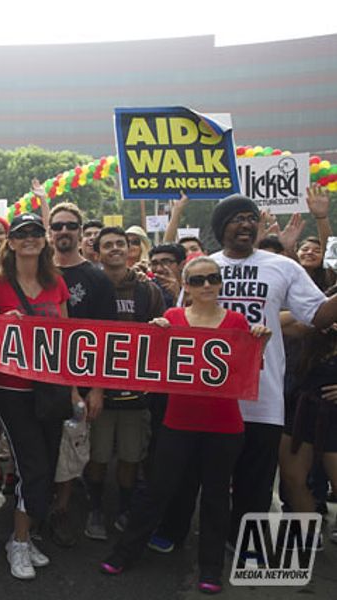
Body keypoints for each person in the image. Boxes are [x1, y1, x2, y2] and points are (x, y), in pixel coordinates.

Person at [101, 257, 271, 595]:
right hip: (178, 421)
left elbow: (247, 372)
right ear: (187, 286)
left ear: (221, 283)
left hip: (224, 426)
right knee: (156, 490)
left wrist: (259, 344)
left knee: (216, 497)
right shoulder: (172, 318)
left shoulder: (238, 321)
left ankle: (211, 569)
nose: (206, 285)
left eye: (212, 278)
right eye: (197, 280)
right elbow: (152, 364)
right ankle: (125, 553)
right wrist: (157, 335)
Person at [207, 193, 337, 549]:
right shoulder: (203, 267)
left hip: (263, 396)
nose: (247, 223)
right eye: (237, 218)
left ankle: (245, 543)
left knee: (257, 481)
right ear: (221, 227)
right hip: (212, 396)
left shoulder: (284, 267)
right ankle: (210, 545)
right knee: (214, 477)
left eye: (251, 217)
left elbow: (320, 316)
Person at [0, 212, 66, 580]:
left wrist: (75, 391)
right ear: (10, 242)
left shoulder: (56, 283)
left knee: (45, 468)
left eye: (35, 232)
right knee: (34, 468)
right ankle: (17, 542)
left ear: (43, 240)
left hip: (50, 390)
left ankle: (25, 534)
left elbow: (68, 338)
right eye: (21, 234)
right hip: (12, 391)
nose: (29, 238)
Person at [83, 227, 165, 541]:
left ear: (130, 248)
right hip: (99, 389)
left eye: (122, 243)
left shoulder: (148, 290)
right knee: (98, 456)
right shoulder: (91, 286)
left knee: (131, 456)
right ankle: (95, 508)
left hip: (137, 392)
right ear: (96, 251)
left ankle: (125, 509)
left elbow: (164, 338)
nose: (116, 249)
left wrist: (162, 326)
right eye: (109, 245)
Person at [45, 202, 117, 547]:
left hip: (83, 379)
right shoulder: (39, 271)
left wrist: (98, 389)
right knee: (43, 447)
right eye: (57, 225)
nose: (63, 231)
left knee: (74, 449)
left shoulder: (97, 277)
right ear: (50, 231)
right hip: (41, 376)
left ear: (79, 230)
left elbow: (107, 336)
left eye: (70, 226)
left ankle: (62, 510)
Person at [279, 287, 337, 547]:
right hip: (301, 411)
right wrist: (316, 315)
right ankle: (308, 531)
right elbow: (271, 319)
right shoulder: (308, 329)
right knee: (292, 478)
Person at [148, 243, 187, 308]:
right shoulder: (148, 289)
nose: (159, 269)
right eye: (154, 263)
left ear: (182, 265)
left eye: (165, 262)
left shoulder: (194, 288)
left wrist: (177, 296)